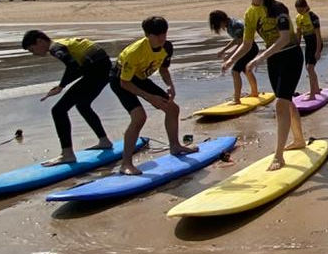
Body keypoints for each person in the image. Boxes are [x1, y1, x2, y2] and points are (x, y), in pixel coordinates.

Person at [222, 0, 304, 171]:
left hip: (291, 55)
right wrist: (231, 59)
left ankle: (278, 155)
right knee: (286, 100)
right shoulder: (250, 14)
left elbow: (285, 38)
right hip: (274, 59)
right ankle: (299, 139)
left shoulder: (277, 8)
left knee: (281, 102)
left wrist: (260, 58)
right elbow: (247, 43)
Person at [112, 17, 197, 175]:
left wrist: (170, 85)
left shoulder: (167, 47)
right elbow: (125, 83)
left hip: (140, 79)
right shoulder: (134, 52)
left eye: (164, 33)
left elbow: (163, 69)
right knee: (139, 117)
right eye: (157, 35)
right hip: (121, 81)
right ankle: (126, 164)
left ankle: (175, 146)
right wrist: (150, 98)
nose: (161, 38)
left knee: (172, 109)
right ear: (147, 35)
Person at [21, 31, 113, 166]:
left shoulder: (55, 48)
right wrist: (61, 85)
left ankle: (67, 154)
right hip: (104, 70)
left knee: (58, 111)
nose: (34, 53)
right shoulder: (61, 43)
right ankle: (104, 141)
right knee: (83, 105)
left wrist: (61, 86)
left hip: (97, 71)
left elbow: (74, 67)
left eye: (32, 49)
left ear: (40, 41)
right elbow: (78, 68)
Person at [209, 10, 260, 104]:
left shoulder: (234, 26)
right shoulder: (230, 24)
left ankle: (237, 100)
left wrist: (230, 56)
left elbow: (242, 44)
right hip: (249, 48)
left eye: (216, 25)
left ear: (220, 21)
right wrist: (223, 50)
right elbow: (236, 40)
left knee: (235, 72)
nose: (218, 27)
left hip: (250, 49)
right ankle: (254, 92)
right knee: (246, 70)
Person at [294, 0, 323, 97]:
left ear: (306, 7)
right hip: (308, 45)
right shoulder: (298, 18)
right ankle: (316, 90)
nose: (300, 12)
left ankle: (312, 94)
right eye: (298, 10)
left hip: (316, 43)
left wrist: (318, 51)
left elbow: (318, 36)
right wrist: (296, 47)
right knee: (309, 68)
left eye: (301, 10)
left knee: (310, 68)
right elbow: (298, 35)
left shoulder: (313, 17)